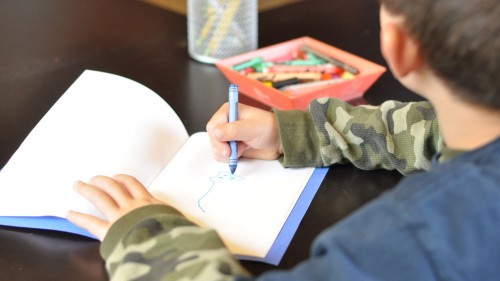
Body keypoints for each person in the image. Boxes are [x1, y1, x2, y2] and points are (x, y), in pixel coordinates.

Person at [67, 0, 500, 280]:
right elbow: (431, 131)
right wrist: (299, 132)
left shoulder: (420, 237)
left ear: (398, 46)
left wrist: (152, 243)